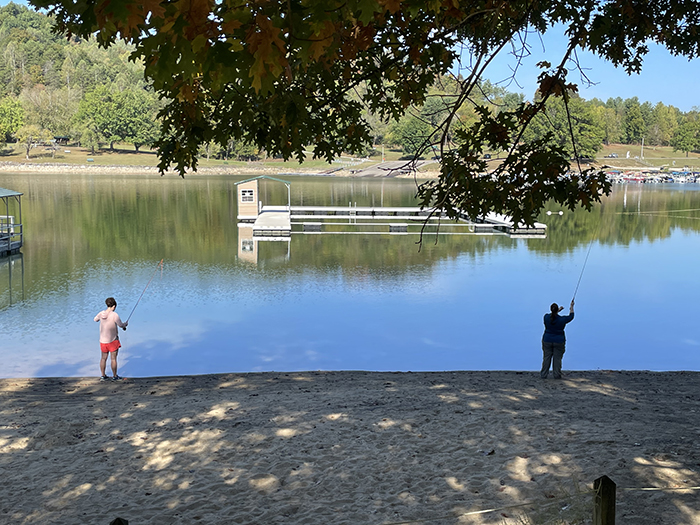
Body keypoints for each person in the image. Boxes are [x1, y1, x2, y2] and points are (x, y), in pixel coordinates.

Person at [94, 297, 128, 381]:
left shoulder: (101, 313)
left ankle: (103, 376)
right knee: (113, 359)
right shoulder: (114, 315)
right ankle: (115, 376)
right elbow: (120, 325)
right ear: (114, 306)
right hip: (113, 340)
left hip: (103, 341)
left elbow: (95, 319)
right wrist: (125, 325)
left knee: (103, 358)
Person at [541, 299, 574, 379]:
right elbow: (571, 316)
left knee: (546, 358)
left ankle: (544, 374)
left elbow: (551, 316)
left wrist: (558, 311)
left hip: (547, 340)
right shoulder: (562, 320)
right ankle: (556, 375)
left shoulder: (546, 317)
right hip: (559, 341)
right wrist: (571, 307)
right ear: (557, 310)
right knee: (557, 358)